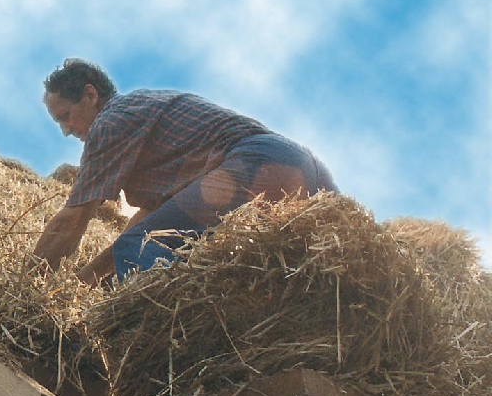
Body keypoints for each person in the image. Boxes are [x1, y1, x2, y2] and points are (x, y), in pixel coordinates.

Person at [32, 59, 338, 285]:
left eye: (66, 117)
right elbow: (151, 221)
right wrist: (86, 280)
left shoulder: (109, 123)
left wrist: (28, 286)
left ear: (90, 95)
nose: (66, 131)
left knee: (140, 256)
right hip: (307, 170)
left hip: (259, 163)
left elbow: (73, 219)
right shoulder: (145, 112)